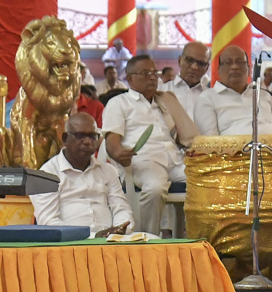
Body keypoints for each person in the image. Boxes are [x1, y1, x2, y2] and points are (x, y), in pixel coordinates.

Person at [102, 53, 197, 232]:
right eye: (146, 73)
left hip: (175, 159)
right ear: (130, 78)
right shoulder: (119, 103)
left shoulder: (164, 101)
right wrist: (118, 154)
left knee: (206, 181)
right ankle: (149, 238)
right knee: (155, 188)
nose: (153, 77)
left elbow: (184, 136)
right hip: (144, 160)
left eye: (155, 72)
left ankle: (191, 235)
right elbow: (112, 139)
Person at [34, 113, 132, 235]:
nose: (87, 141)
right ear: (65, 139)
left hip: (111, 241)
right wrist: (92, 236)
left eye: (92, 136)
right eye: (80, 135)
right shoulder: (47, 173)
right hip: (71, 245)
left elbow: (121, 209)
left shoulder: (108, 171)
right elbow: (48, 222)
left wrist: (119, 229)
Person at [194, 44, 272, 136]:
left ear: (249, 69)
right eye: (228, 62)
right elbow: (209, 141)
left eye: (239, 62)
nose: (234, 67)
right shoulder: (207, 98)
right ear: (219, 70)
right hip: (232, 150)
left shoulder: (263, 95)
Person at [169, 42, 212, 125]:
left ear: (206, 68)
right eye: (190, 60)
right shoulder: (160, 92)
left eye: (201, 64)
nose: (194, 67)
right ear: (179, 61)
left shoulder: (211, 97)